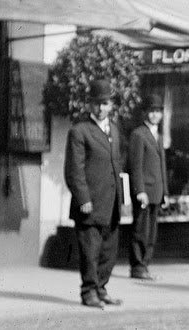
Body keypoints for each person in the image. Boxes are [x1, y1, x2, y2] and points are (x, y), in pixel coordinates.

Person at [63, 80, 125, 308]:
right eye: (96, 103)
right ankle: (89, 292)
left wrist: (123, 199)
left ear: (111, 105)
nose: (100, 108)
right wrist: (83, 199)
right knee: (90, 251)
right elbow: (74, 170)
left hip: (111, 203)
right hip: (89, 204)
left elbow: (117, 166)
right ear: (89, 105)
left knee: (108, 251)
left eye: (105, 103)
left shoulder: (116, 131)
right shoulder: (79, 131)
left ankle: (101, 288)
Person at [128, 94, 169, 281]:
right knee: (140, 230)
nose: (154, 115)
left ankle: (146, 263)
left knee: (151, 231)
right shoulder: (139, 134)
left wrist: (165, 192)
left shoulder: (158, 136)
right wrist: (139, 190)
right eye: (151, 111)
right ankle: (137, 266)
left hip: (157, 191)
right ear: (145, 112)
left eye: (158, 111)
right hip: (145, 191)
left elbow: (162, 166)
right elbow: (135, 165)